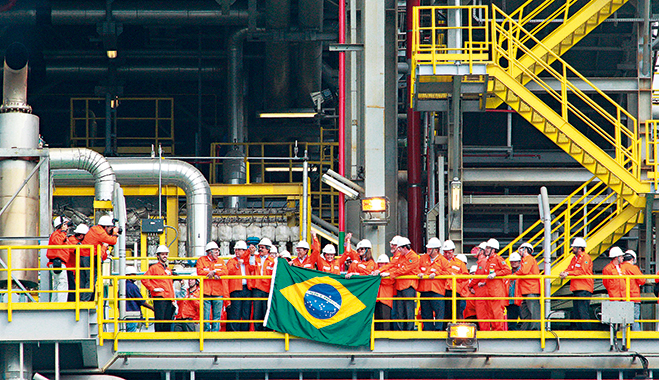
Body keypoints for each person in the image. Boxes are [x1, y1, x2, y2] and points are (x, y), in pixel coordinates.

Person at [373, 236, 420, 331]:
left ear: (405, 248)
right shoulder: (401, 257)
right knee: (400, 310)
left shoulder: (413, 257)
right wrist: (380, 270)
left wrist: (389, 273)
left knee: (409, 310)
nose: (398, 250)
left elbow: (404, 270)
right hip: (400, 287)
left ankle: (409, 330)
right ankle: (400, 329)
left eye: (399, 248)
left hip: (408, 286)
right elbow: (392, 265)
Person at [80, 215, 119, 301]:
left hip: (85, 256)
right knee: (91, 280)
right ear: (105, 226)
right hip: (88, 257)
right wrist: (115, 233)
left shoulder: (96, 229)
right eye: (110, 228)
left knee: (85, 280)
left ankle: (84, 299)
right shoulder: (99, 232)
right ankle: (84, 301)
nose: (111, 230)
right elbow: (113, 241)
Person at [559, 237, 593, 330]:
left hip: (584, 288)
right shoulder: (575, 258)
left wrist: (568, 273)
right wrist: (564, 272)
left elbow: (582, 271)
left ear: (580, 248)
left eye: (574, 247)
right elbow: (570, 268)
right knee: (577, 312)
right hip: (577, 288)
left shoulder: (585, 257)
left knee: (583, 312)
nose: (572, 249)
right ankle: (580, 330)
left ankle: (586, 331)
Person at [142, 245, 175, 332]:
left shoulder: (168, 270)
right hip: (160, 297)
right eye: (163, 254)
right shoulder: (154, 268)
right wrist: (153, 289)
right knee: (160, 320)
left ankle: (165, 339)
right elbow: (144, 279)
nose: (165, 256)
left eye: (166, 254)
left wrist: (173, 299)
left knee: (167, 321)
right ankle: (159, 338)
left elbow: (170, 284)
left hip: (169, 298)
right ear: (158, 256)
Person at [417, 237, 448, 331]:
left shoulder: (443, 261)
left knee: (439, 312)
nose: (428, 250)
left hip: (437, 290)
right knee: (426, 312)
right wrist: (420, 273)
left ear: (436, 250)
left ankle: (438, 329)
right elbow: (417, 268)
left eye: (430, 249)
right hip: (424, 290)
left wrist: (436, 274)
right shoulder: (422, 258)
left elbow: (448, 272)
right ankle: (427, 330)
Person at [195, 241, 227, 332]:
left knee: (217, 316)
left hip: (218, 292)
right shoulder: (201, 260)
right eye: (216, 252)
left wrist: (215, 272)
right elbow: (199, 271)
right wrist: (209, 273)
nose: (218, 254)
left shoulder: (220, 261)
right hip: (206, 292)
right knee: (206, 315)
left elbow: (225, 271)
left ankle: (215, 333)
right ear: (210, 252)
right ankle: (206, 332)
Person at [483, 238, 512, 331]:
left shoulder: (498, 259)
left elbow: (507, 270)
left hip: (497, 292)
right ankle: (494, 329)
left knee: (497, 313)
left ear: (493, 249)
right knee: (491, 313)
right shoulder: (488, 261)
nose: (486, 250)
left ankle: (498, 331)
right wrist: (484, 282)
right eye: (486, 248)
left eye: (488, 248)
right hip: (490, 292)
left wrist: (496, 274)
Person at [249, 238, 275, 331]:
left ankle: (267, 330)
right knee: (257, 312)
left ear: (268, 249)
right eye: (259, 247)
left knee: (267, 311)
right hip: (257, 289)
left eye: (262, 247)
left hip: (268, 290)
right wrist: (252, 254)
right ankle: (258, 330)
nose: (260, 249)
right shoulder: (255, 258)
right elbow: (251, 267)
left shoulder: (273, 261)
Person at [226, 240, 252, 331]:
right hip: (236, 289)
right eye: (236, 250)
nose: (237, 252)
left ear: (244, 251)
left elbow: (253, 268)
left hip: (247, 289)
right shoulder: (231, 261)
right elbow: (229, 271)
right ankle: (234, 332)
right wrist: (237, 265)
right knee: (235, 312)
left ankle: (245, 332)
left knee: (246, 312)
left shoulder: (248, 261)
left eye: (239, 250)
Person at [621, 250, 648, 331]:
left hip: (621, 297)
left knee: (622, 320)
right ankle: (637, 337)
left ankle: (623, 337)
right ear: (632, 259)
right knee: (634, 320)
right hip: (633, 297)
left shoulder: (619, 268)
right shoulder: (633, 268)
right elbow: (642, 281)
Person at [443, 240, 468, 325]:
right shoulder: (440, 261)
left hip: (454, 291)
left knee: (455, 312)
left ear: (453, 251)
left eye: (448, 252)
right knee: (444, 312)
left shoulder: (459, 263)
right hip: (442, 290)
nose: (447, 255)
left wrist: (456, 277)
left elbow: (465, 276)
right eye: (445, 252)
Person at [517, 242, 540, 331]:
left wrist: (515, 275)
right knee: (526, 312)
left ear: (525, 249)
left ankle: (535, 329)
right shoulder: (525, 260)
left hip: (531, 289)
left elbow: (524, 271)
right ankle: (525, 329)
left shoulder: (529, 259)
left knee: (533, 311)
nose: (519, 251)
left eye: (521, 249)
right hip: (526, 290)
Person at [47, 216, 70, 302]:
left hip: (59, 263)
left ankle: (55, 303)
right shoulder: (56, 234)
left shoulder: (62, 236)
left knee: (57, 284)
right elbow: (57, 242)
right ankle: (61, 304)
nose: (67, 227)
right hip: (57, 263)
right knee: (62, 283)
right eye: (65, 225)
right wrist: (63, 232)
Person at [124, 266, 154, 332]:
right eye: (133, 274)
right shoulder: (132, 287)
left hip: (125, 315)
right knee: (131, 336)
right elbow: (141, 301)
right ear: (127, 275)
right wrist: (152, 308)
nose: (135, 276)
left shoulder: (123, 286)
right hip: (133, 316)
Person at [469, 242, 490, 330]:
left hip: (481, 292)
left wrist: (470, 285)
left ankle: (485, 331)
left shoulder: (483, 262)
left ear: (482, 251)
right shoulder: (483, 262)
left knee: (482, 314)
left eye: (478, 249)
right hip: (481, 291)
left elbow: (478, 276)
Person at [66, 224, 89, 301]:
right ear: (81, 235)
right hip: (70, 269)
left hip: (75, 269)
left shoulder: (75, 240)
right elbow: (78, 251)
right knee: (72, 289)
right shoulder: (72, 241)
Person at [374, 253, 394, 331]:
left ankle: (385, 338)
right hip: (377, 299)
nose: (381, 265)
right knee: (377, 320)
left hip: (386, 300)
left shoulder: (389, 272)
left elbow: (389, 282)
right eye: (380, 263)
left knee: (385, 321)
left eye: (382, 263)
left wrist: (379, 277)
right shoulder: (378, 272)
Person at [506, 252, 522, 331]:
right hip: (511, 301)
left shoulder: (523, 272)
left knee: (524, 319)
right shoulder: (508, 273)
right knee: (511, 322)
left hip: (520, 300)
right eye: (512, 262)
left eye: (515, 261)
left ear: (519, 262)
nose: (513, 263)